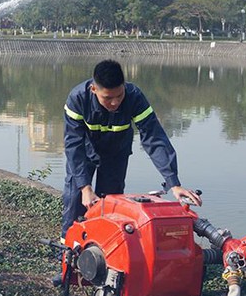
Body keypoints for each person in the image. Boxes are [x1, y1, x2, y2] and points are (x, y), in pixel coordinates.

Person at [62, 59, 201, 238]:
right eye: (108, 98)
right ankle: (67, 254)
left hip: (116, 153)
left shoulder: (134, 97)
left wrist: (173, 182)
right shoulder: (77, 99)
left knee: (111, 205)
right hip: (83, 153)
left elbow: (154, 138)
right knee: (75, 201)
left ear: (124, 87)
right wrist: (85, 188)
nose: (114, 103)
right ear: (93, 89)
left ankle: (104, 255)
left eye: (119, 96)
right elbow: (73, 145)